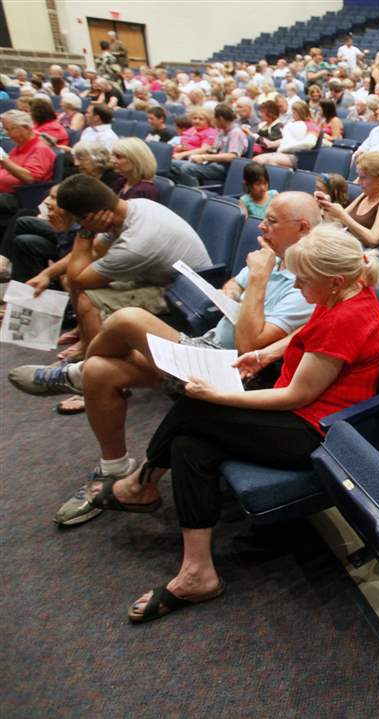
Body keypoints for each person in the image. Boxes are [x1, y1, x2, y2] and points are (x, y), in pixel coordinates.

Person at [87, 224, 379, 623]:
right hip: (300, 414)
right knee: (191, 445)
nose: (296, 284)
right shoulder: (346, 289)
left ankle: (141, 482)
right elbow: (310, 331)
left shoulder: (347, 317)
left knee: (196, 408)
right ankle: (198, 572)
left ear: (334, 281)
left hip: (315, 432)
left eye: (303, 279)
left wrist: (218, 396)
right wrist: (267, 354)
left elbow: (296, 396)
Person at [11, 194, 320, 521]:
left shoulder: (307, 281)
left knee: (128, 319)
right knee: (100, 371)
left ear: (301, 228)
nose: (262, 226)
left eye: (271, 221)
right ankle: (114, 467)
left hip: (233, 370)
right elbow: (234, 283)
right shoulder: (273, 257)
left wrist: (257, 279)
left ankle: (72, 374)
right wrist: (230, 292)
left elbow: (249, 346)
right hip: (207, 345)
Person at [50, 174, 212, 362]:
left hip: (182, 296)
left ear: (90, 217)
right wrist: (46, 274)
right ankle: (86, 343)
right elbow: (97, 250)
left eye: (78, 221)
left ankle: (92, 365)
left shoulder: (134, 245)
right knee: (83, 283)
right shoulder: (136, 205)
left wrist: (85, 232)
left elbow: (77, 279)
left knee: (88, 297)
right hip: (168, 279)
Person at [0, 110, 57, 243]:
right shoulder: (19, 147)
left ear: (25, 128)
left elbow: (30, 178)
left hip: (20, 196)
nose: (7, 134)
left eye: (9, 130)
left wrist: (3, 159)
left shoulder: (40, 149)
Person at [320, 153, 379, 247]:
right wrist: (327, 207)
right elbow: (338, 224)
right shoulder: (364, 195)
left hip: (364, 253)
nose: (358, 182)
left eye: (363, 178)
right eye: (358, 177)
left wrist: (343, 215)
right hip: (346, 245)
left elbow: (374, 239)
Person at [171, 103, 246, 186]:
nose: (213, 122)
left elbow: (232, 156)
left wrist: (204, 157)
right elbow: (214, 150)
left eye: (214, 119)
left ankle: (195, 193)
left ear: (220, 119)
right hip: (213, 163)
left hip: (225, 168)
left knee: (187, 169)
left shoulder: (235, 133)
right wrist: (200, 156)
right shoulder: (222, 131)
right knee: (172, 164)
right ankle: (181, 188)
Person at [253, 102, 319, 168]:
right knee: (257, 160)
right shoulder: (294, 125)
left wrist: (286, 148)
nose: (292, 115)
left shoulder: (312, 125)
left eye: (294, 112)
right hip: (285, 153)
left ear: (300, 113)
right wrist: (269, 143)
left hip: (299, 156)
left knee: (262, 161)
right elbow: (282, 141)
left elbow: (310, 143)